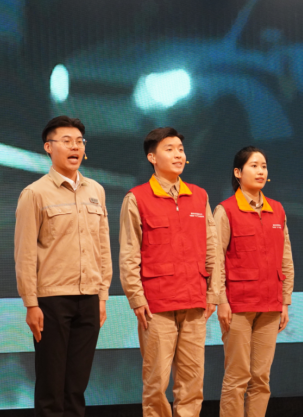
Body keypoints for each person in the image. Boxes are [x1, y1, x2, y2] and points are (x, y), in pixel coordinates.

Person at [119, 127, 221, 417]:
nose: (178, 155)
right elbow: (129, 254)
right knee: (156, 383)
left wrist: (213, 293)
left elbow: (212, 248)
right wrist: (136, 298)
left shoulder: (199, 196)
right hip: (156, 305)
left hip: (194, 302)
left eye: (181, 149)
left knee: (192, 383)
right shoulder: (137, 198)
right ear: (152, 157)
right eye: (169, 149)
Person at [14, 116, 112, 417]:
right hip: (52, 300)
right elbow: (25, 254)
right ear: (48, 147)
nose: (75, 147)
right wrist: (31, 304)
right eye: (66, 141)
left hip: (90, 298)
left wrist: (102, 296)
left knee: (77, 386)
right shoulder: (34, 193)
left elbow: (103, 246)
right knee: (51, 386)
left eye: (79, 142)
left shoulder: (96, 190)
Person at [214, 147, 295, 417]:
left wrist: (285, 301)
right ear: (238, 173)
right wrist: (221, 300)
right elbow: (215, 259)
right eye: (254, 166)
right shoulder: (225, 210)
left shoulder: (277, 210)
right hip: (237, 306)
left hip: (270, 305)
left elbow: (286, 258)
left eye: (263, 166)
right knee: (237, 376)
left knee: (261, 378)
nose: (261, 171)